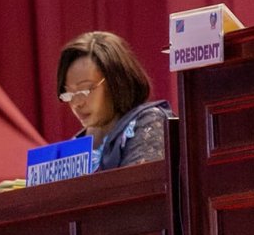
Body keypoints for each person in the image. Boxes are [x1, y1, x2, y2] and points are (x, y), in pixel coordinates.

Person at [56, 31, 172, 170]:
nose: (77, 103)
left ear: (116, 82)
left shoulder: (147, 122)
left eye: (85, 90)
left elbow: (139, 189)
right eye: (69, 93)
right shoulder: (76, 145)